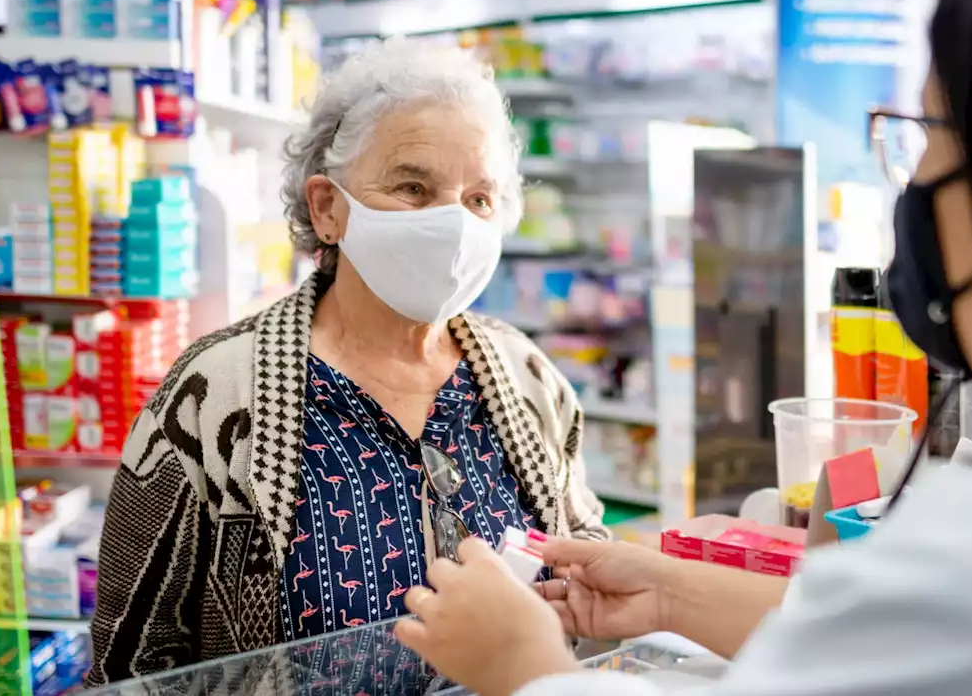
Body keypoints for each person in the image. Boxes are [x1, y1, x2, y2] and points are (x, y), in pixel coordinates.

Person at [392, 0, 972, 694]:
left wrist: (528, 667)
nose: (914, 200)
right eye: (410, 188)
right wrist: (669, 593)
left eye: (931, 142)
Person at [85, 38, 610, 687]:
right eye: (413, 187)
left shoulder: (529, 379)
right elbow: (132, 662)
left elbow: (586, 575)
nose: (452, 224)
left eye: (478, 199)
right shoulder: (211, 397)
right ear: (328, 207)